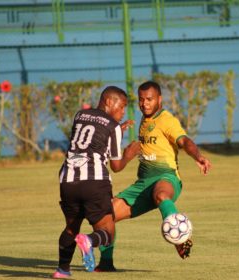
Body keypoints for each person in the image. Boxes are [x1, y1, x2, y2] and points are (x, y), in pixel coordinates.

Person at [96, 81, 211, 272]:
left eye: (149, 99)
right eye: (141, 100)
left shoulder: (167, 120)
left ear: (159, 99)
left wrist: (197, 156)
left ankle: (180, 239)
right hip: (142, 185)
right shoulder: (144, 120)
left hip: (167, 178)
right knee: (105, 217)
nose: (144, 104)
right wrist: (119, 132)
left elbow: (184, 141)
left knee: (161, 195)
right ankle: (106, 263)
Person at [52, 86, 141, 279]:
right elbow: (116, 166)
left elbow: (92, 139)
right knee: (107, 231)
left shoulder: (80, 115)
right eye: (122, 105)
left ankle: (62, 270)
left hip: (68, 180)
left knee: (70, 227)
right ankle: (88, 241)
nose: (123, 111)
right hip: (94, 181)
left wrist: (118, 131)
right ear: (109, 101)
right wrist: (129, 154)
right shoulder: (113, 126)